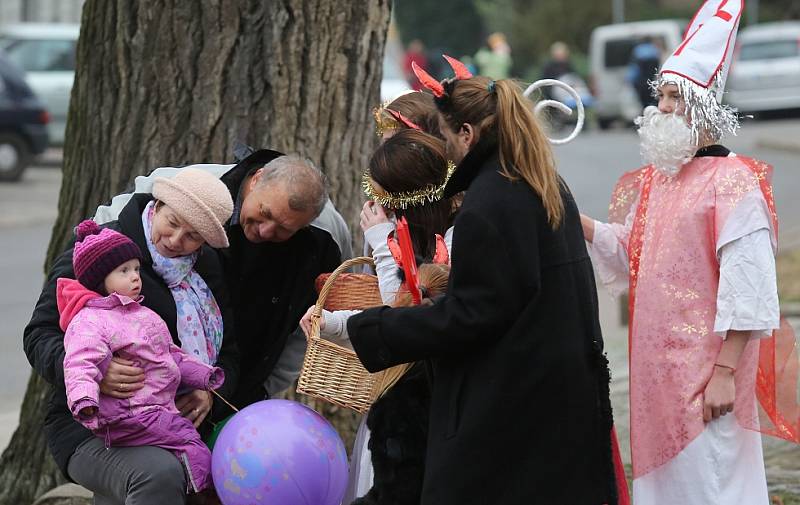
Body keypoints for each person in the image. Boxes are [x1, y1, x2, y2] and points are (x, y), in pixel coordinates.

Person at [342, 56, 619, 505]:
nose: (444, 150)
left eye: (445, 137)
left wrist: (367, 328)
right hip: (558, 392)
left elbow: (473, 314)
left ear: (467, 134)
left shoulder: (489, 204)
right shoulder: (538, 180)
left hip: (516, 402)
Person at [581, 2, 798, 503]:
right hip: (659, 382)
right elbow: (630, 252)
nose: (663, 108)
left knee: (714, 485)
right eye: (661, 96)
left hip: (706, 379)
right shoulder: (659, 180)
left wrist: (724, 373)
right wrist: (577, 222)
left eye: (676, 96)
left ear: (704, 105)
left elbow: (750, 286)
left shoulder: (733, 181)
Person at [24, 168, 237, 504]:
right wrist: (97, 372)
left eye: (193, 235)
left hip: (175, 418)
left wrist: (207, 390)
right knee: (159, 473)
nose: (176, 240)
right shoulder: (101, 251)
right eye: (172, 221)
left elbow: (230, 349)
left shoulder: (204, 267)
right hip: (93, 423)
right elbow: (39, 334)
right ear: (158, 203)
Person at [91, 150, 351, 410]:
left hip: (233, 395)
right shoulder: (193, 187)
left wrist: (264, 387)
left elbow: (323, 319)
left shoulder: (326, 236)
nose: (265, 231)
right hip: (131, 389)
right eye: (265, 213)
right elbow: (96, 241)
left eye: (285, 230)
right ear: (257, 179)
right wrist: (99, 360)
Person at [302, 128, 454, 505]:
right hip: (400, 395)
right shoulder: (417, 235)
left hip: (432, 403)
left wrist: (384, 244)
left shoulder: (452, 240)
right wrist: (334, 324)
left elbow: (408, 312)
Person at [60, 220, 225, 494]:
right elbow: (80, 362)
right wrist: (84, 399)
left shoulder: (143, 314)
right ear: (100, 280)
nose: (135, 276)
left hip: (155, 407)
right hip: (129, 414)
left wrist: (204, 376)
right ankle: (202, 492)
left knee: (188, 440)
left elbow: (171, 355)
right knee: (190, 444)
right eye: (123, 271)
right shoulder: (91, 321)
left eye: (136, 269)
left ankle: (195, 489)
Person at [626, 36, 661, 109]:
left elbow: (634, 69)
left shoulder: (638, 50)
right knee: (654, 102)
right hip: (652, 81)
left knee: (644, 104)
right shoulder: (654, 49)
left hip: (641, 83)